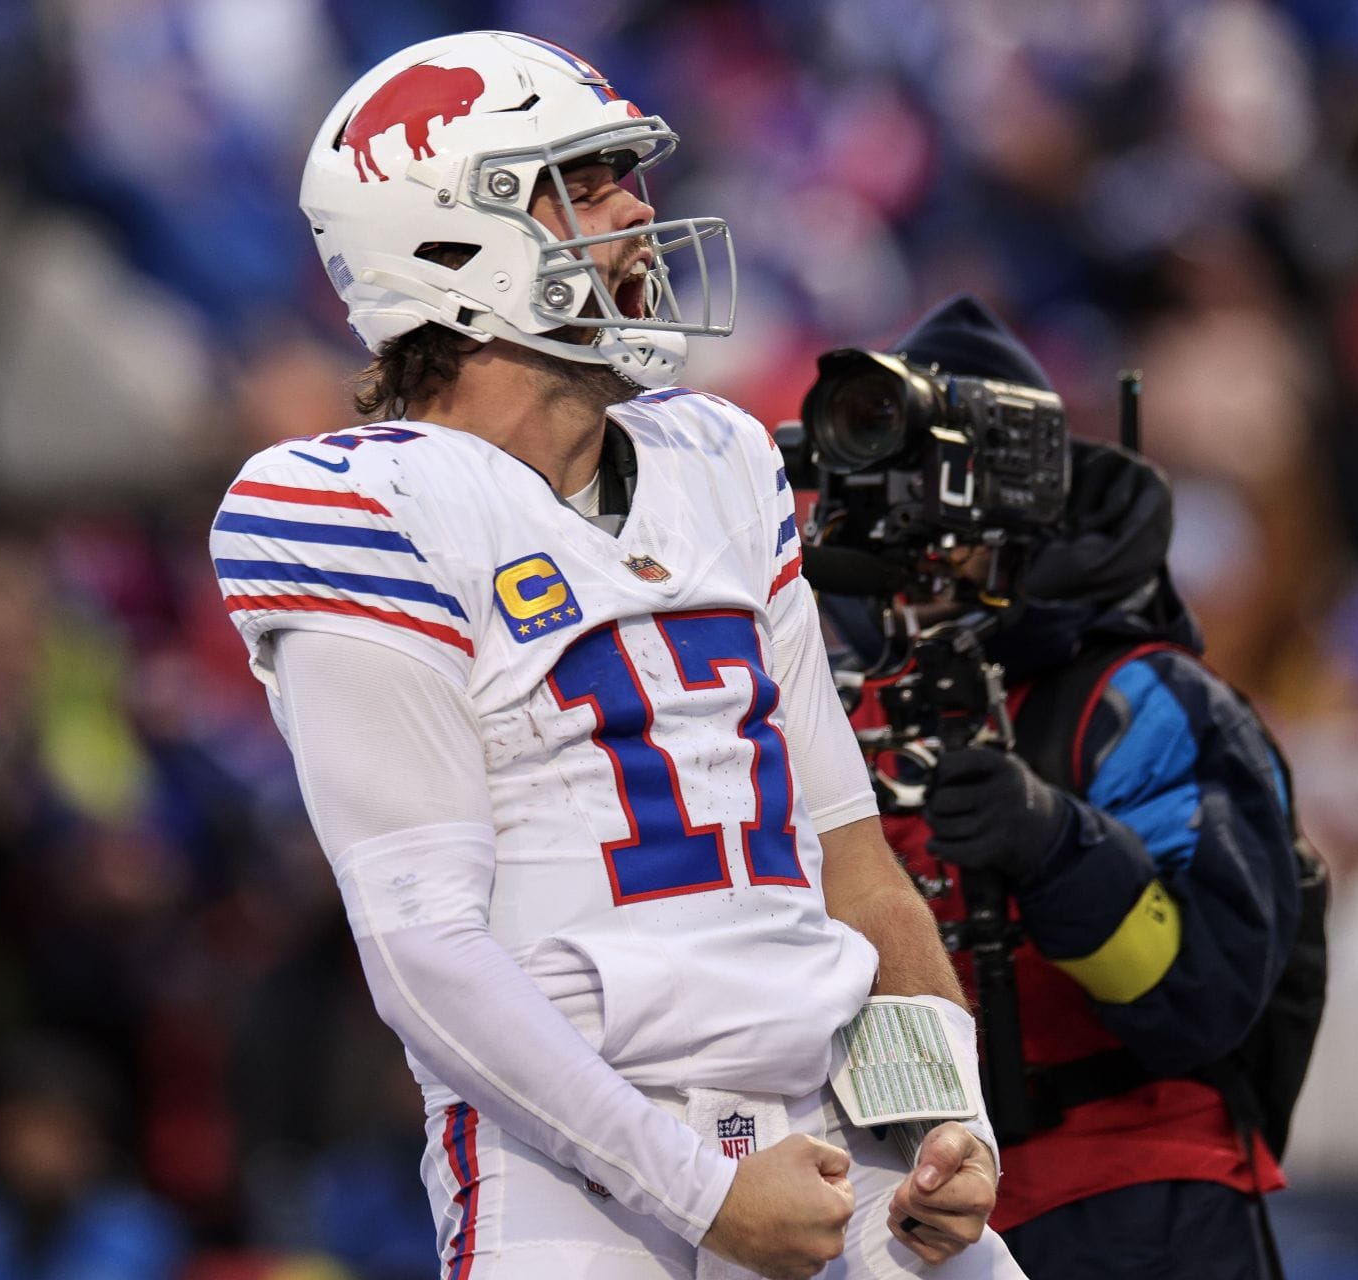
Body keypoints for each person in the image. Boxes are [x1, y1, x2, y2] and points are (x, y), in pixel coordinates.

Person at [209, 33, 1020, 1280]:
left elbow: (849, 856)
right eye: (586, 181)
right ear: (446, 234)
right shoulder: (357, 509)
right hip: (577, 1173)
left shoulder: (720, 459)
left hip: (840, 1140)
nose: (638, 209)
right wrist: (701, 1192)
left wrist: (946, 1113)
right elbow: (425, 951)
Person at [827, 296, 1307, 1280]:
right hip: (911, 1217)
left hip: (1142, 1201)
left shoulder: (1140, 698)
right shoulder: (826, 709)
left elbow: (1205, 994)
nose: (918, 543)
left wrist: (1055, 844)